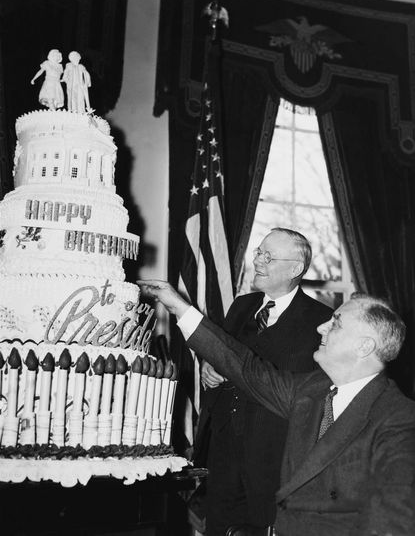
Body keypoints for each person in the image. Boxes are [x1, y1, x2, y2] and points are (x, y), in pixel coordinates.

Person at [138, 281, 415, 536]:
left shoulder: (399, 419)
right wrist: (179, 306)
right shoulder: (311, 389)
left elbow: (392, 522)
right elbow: (246, 367)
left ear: (364, 346)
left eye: (336, 323)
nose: (321, 327)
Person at [192, 228, 332, 535]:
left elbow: (314, 397)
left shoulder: (322, 321)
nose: (259, 261)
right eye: (258, 252)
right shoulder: (242, 305)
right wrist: (208, 369)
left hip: (274, 460)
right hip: (224, 452)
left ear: (296, 269)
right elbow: (223, 356)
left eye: (269, 256)